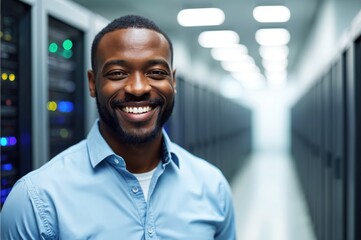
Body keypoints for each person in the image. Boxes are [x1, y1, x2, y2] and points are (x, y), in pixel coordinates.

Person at [1, 15, 236, 239]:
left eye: (155, 72)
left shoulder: (212, 187)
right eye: (117, 73)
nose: (138, 88)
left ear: (172, 81)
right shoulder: (36, 200)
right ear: (93, 84)